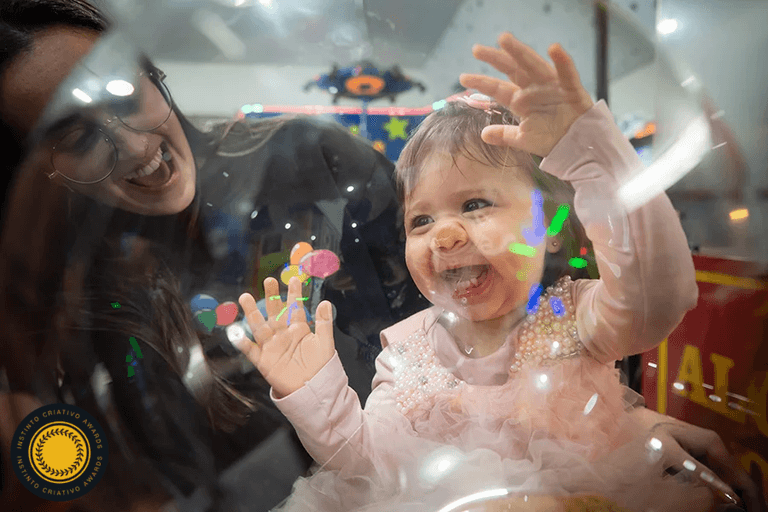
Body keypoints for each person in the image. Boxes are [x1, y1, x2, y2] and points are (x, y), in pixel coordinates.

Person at [234, 33, 764, 511]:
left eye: (474, 205)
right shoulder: (407, 353)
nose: (444, 235)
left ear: (549, 224)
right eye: (421, 219)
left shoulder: (573, 315)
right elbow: (371, 470)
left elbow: (658, 297)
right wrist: (315, 393)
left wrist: (589, 154)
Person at [0, 1, 424, 510]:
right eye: (80, 137)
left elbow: (463, 309)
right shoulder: (68, 303)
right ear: (39, 175)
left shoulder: (309, 157)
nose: (135, 146)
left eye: (124, 92)